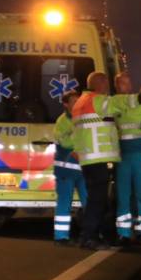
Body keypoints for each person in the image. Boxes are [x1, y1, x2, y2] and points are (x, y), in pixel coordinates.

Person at [72, 71, 139, 250]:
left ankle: (95, 235)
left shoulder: (80, 102)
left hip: (88, 159)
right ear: (100, 84)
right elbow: (119, 103)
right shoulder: (97, 100)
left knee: (96, 199)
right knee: (97, 200)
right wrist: (140, 97)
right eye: (107, 85)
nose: (108, 89)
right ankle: (89, 237)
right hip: (98, 158)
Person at [113, 73, 141, 245]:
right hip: (123, 156)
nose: (127, 86)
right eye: (123, 84)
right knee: (123, 196)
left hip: (140, 155)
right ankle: (123, 232)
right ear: (117, 86)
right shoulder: (114, 104)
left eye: (128, 83)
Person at [52, 90, 87, 245]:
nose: (77, 104)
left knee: (89, 202)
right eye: (74, 101)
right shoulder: (62, 122)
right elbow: (65, 142)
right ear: (65, 104)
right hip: (67, 170)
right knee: (64, 204)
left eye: (78, 101)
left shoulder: (83, 119)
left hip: (83, 169)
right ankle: (61, 237)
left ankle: (89, 234)